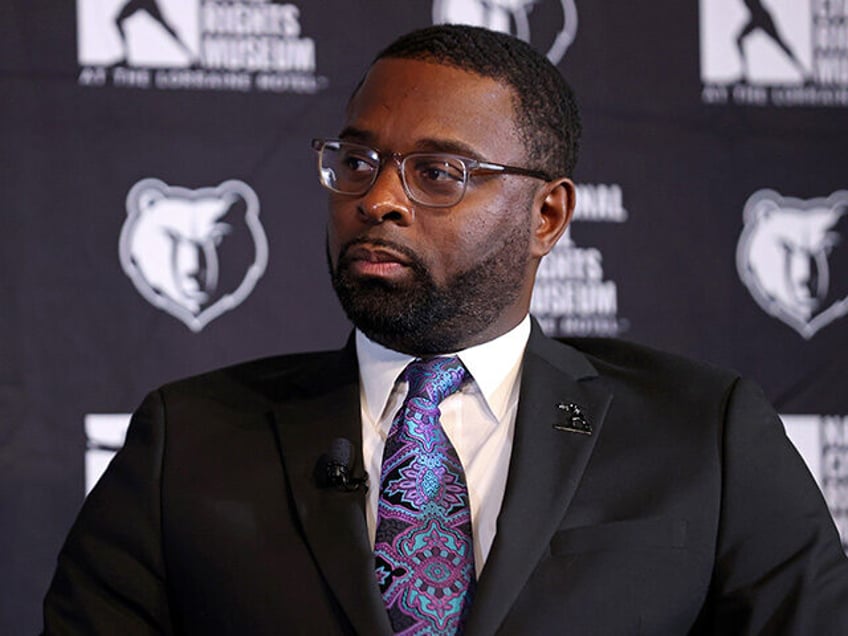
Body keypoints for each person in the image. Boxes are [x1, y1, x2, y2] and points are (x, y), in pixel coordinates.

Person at [43, 24, 848, 635]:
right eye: (357, 162)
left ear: (548, 214)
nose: (378, 199)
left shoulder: (704, 432)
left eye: (437, 173)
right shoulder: (187, 441)